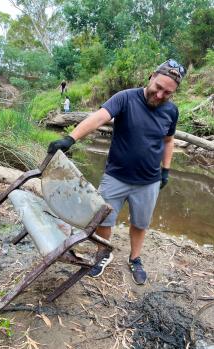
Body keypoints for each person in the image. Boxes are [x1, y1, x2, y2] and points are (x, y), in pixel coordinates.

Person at [47, 59, 186, 285]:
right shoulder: (126, 98)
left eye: (167, 93)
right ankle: (104, 254)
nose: (160, 95)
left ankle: (135, 258)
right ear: (151, 76)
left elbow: (168, 141)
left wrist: (166, 170)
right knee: (104, 219)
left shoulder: (171, 111)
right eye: (158, 87)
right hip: (116, 175)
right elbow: (99, 117)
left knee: (140, 224)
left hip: (148, 181)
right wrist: (70, 138)